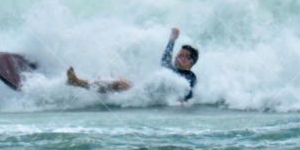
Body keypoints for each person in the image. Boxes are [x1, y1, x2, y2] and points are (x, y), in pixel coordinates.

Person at [66, 27, 200, 101]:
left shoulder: (190, 76)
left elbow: (187, 93)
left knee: (119, 84)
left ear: (191, 62)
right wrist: (172, 40)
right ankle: (82, 86)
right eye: (179, 54)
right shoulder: (172, 70)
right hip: (145, 94)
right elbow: (165, 61)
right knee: (117, 79)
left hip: (150, 99)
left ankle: (77, 83)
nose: (179, 57)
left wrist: (180, 102)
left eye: (184, 56)